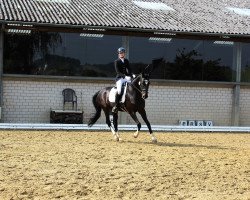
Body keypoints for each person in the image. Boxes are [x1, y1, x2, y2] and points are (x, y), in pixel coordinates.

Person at [112, 47, 133, 113]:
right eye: (120, 53)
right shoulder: (116, 61)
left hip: (126, 77)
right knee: (119, 91)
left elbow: (129, 69)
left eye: (122, 53)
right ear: (118, 54)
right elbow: (117, 71)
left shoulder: (126, 60)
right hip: (120, 78)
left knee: (132, 86)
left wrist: (131, 75)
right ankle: (116, 105)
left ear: (124, 54)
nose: (121, 54)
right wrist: (124, 76)